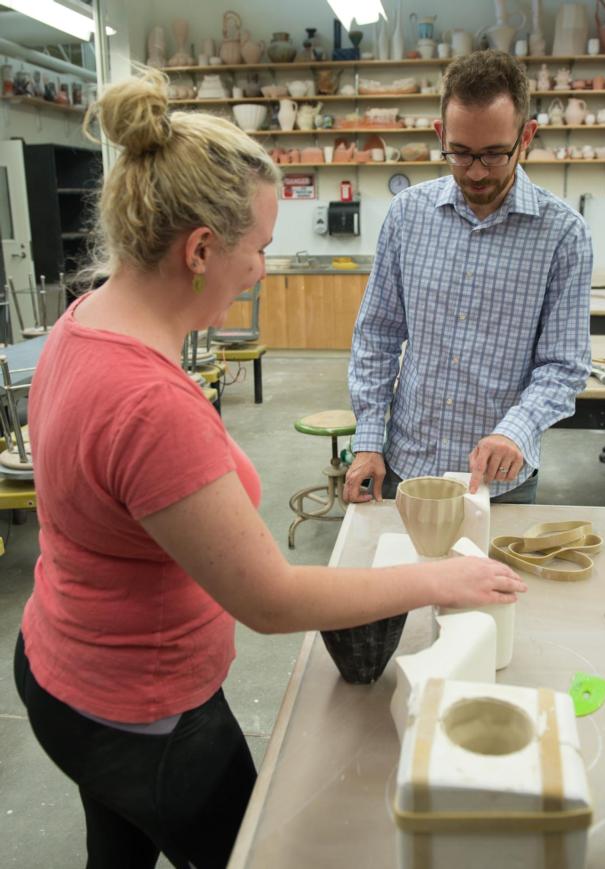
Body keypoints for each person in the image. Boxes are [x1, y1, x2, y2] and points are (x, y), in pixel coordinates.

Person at [13, 69, 526, 869]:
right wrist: (441, 580)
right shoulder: (151, 402)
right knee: (254, 848)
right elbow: (272, 598)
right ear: (200, 250)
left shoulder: (83, 324)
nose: (261, 267)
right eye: (258, 249)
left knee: (116, 851)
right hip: (143, 709)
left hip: (66, 670)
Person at [345, 50, 592, 505]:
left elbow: (564, 365)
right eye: (460, 153)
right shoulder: (408, 216)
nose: (476, 171)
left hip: (502, 480)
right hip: (407, 464)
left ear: (527, 137)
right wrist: (368, 440)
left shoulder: (563, 234)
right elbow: (376, 336)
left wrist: (516, 430)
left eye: (495, 154)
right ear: (441, 134)